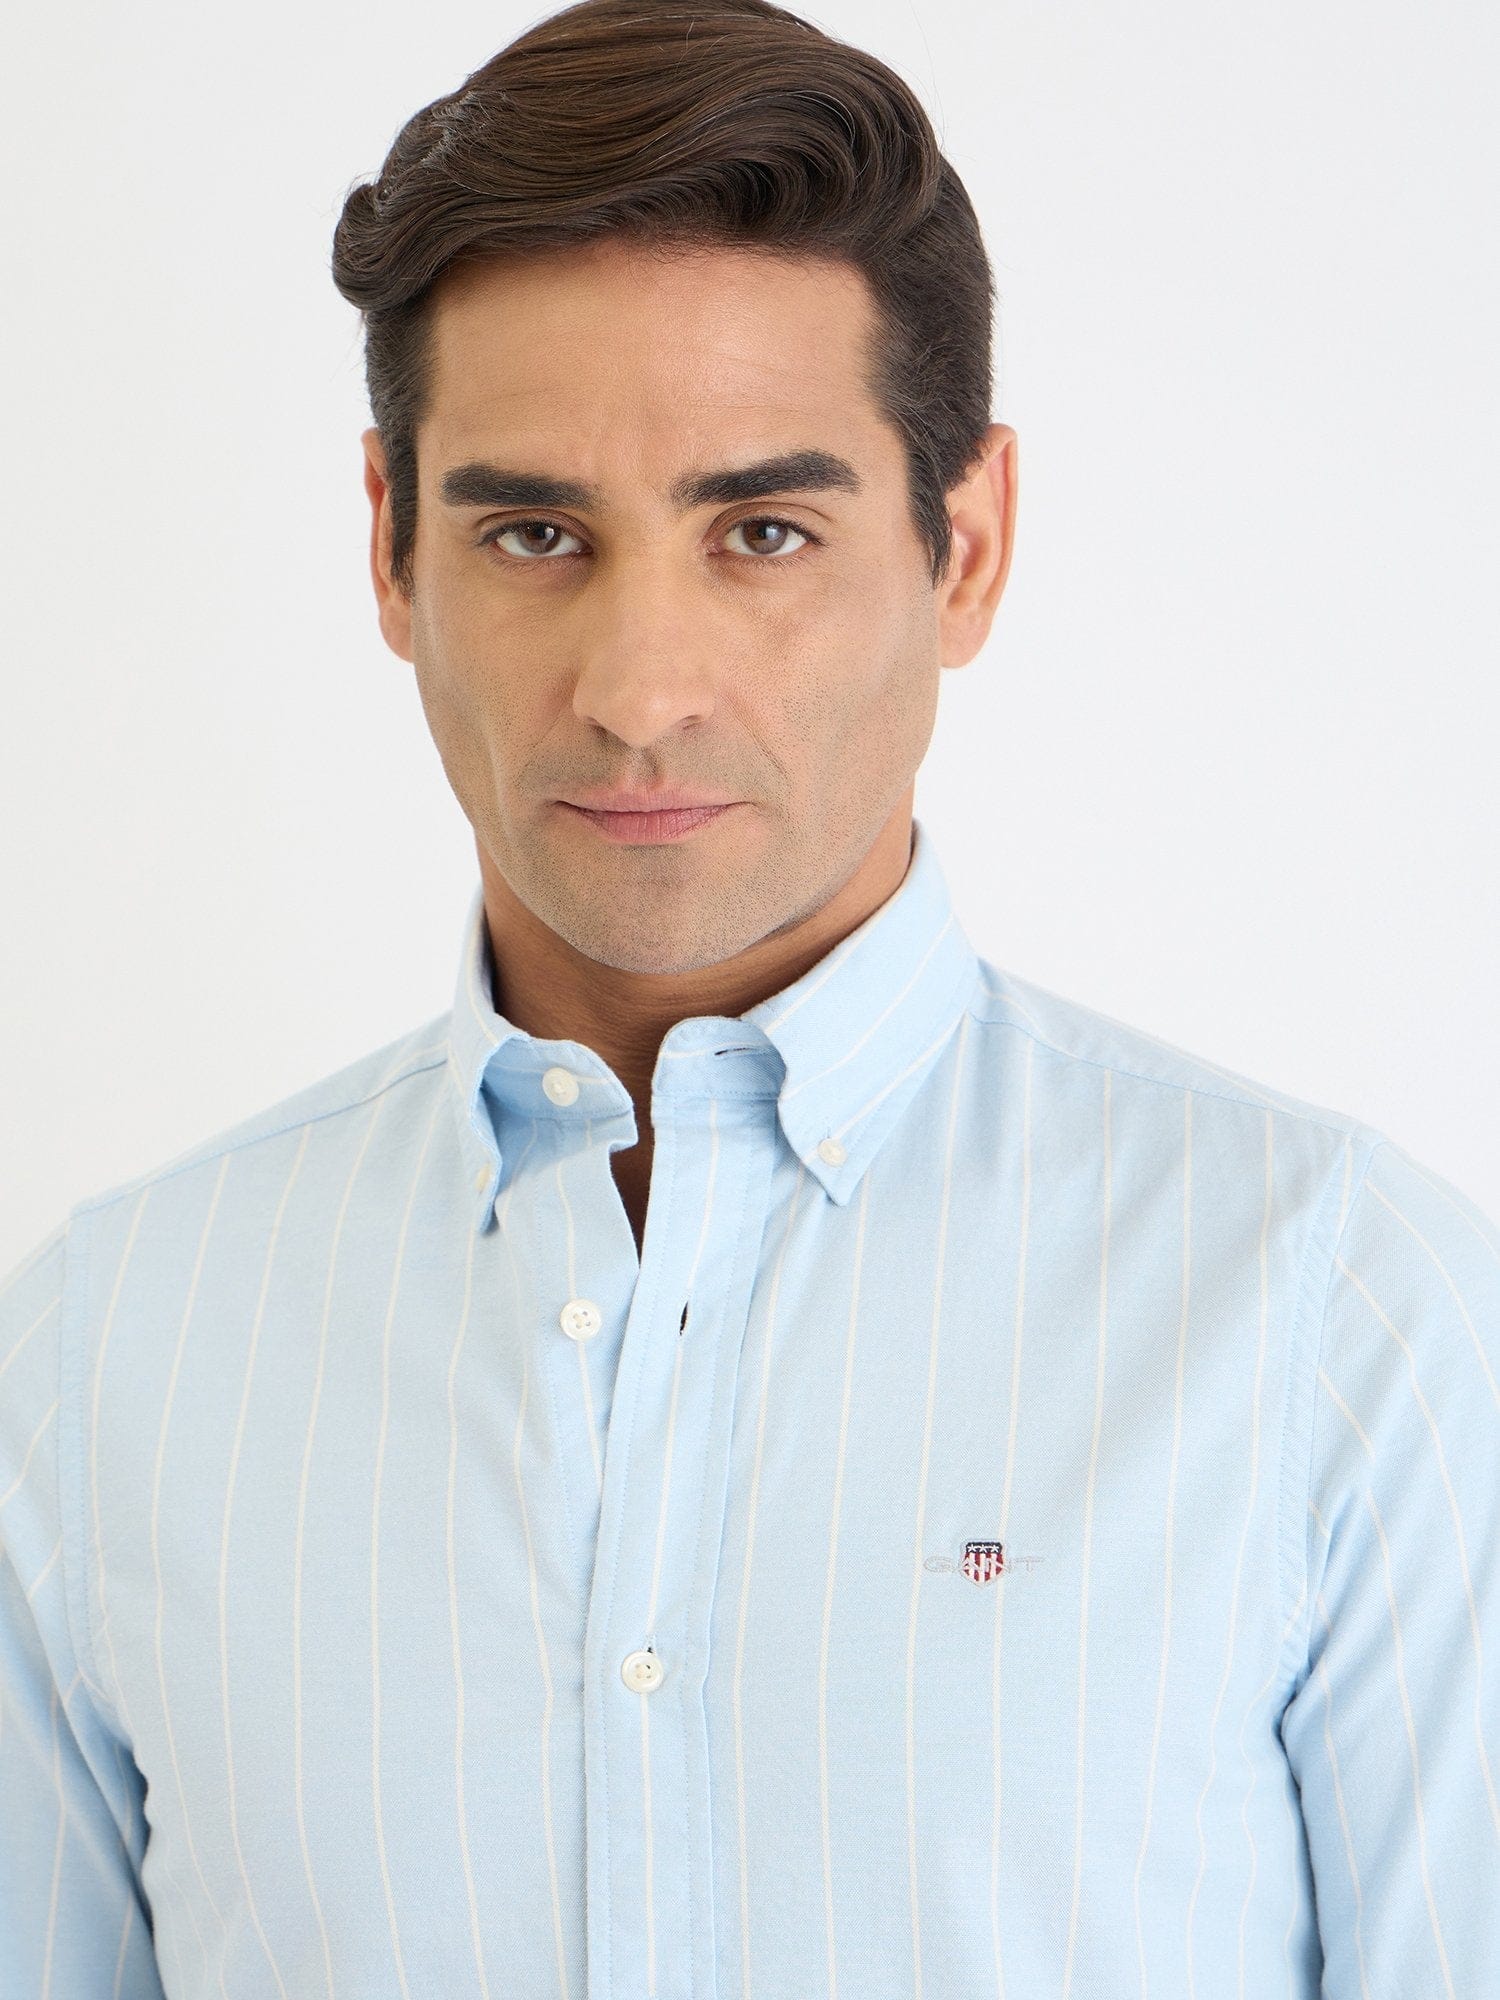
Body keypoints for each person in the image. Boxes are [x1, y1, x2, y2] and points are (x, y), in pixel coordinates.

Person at [2, 0, 1496, 1993]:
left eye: (764, 532)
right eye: (535, 533)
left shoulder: (1339, 1319)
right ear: (391, 549)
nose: (640, 689)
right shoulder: (111, 1356)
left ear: (967, 548)